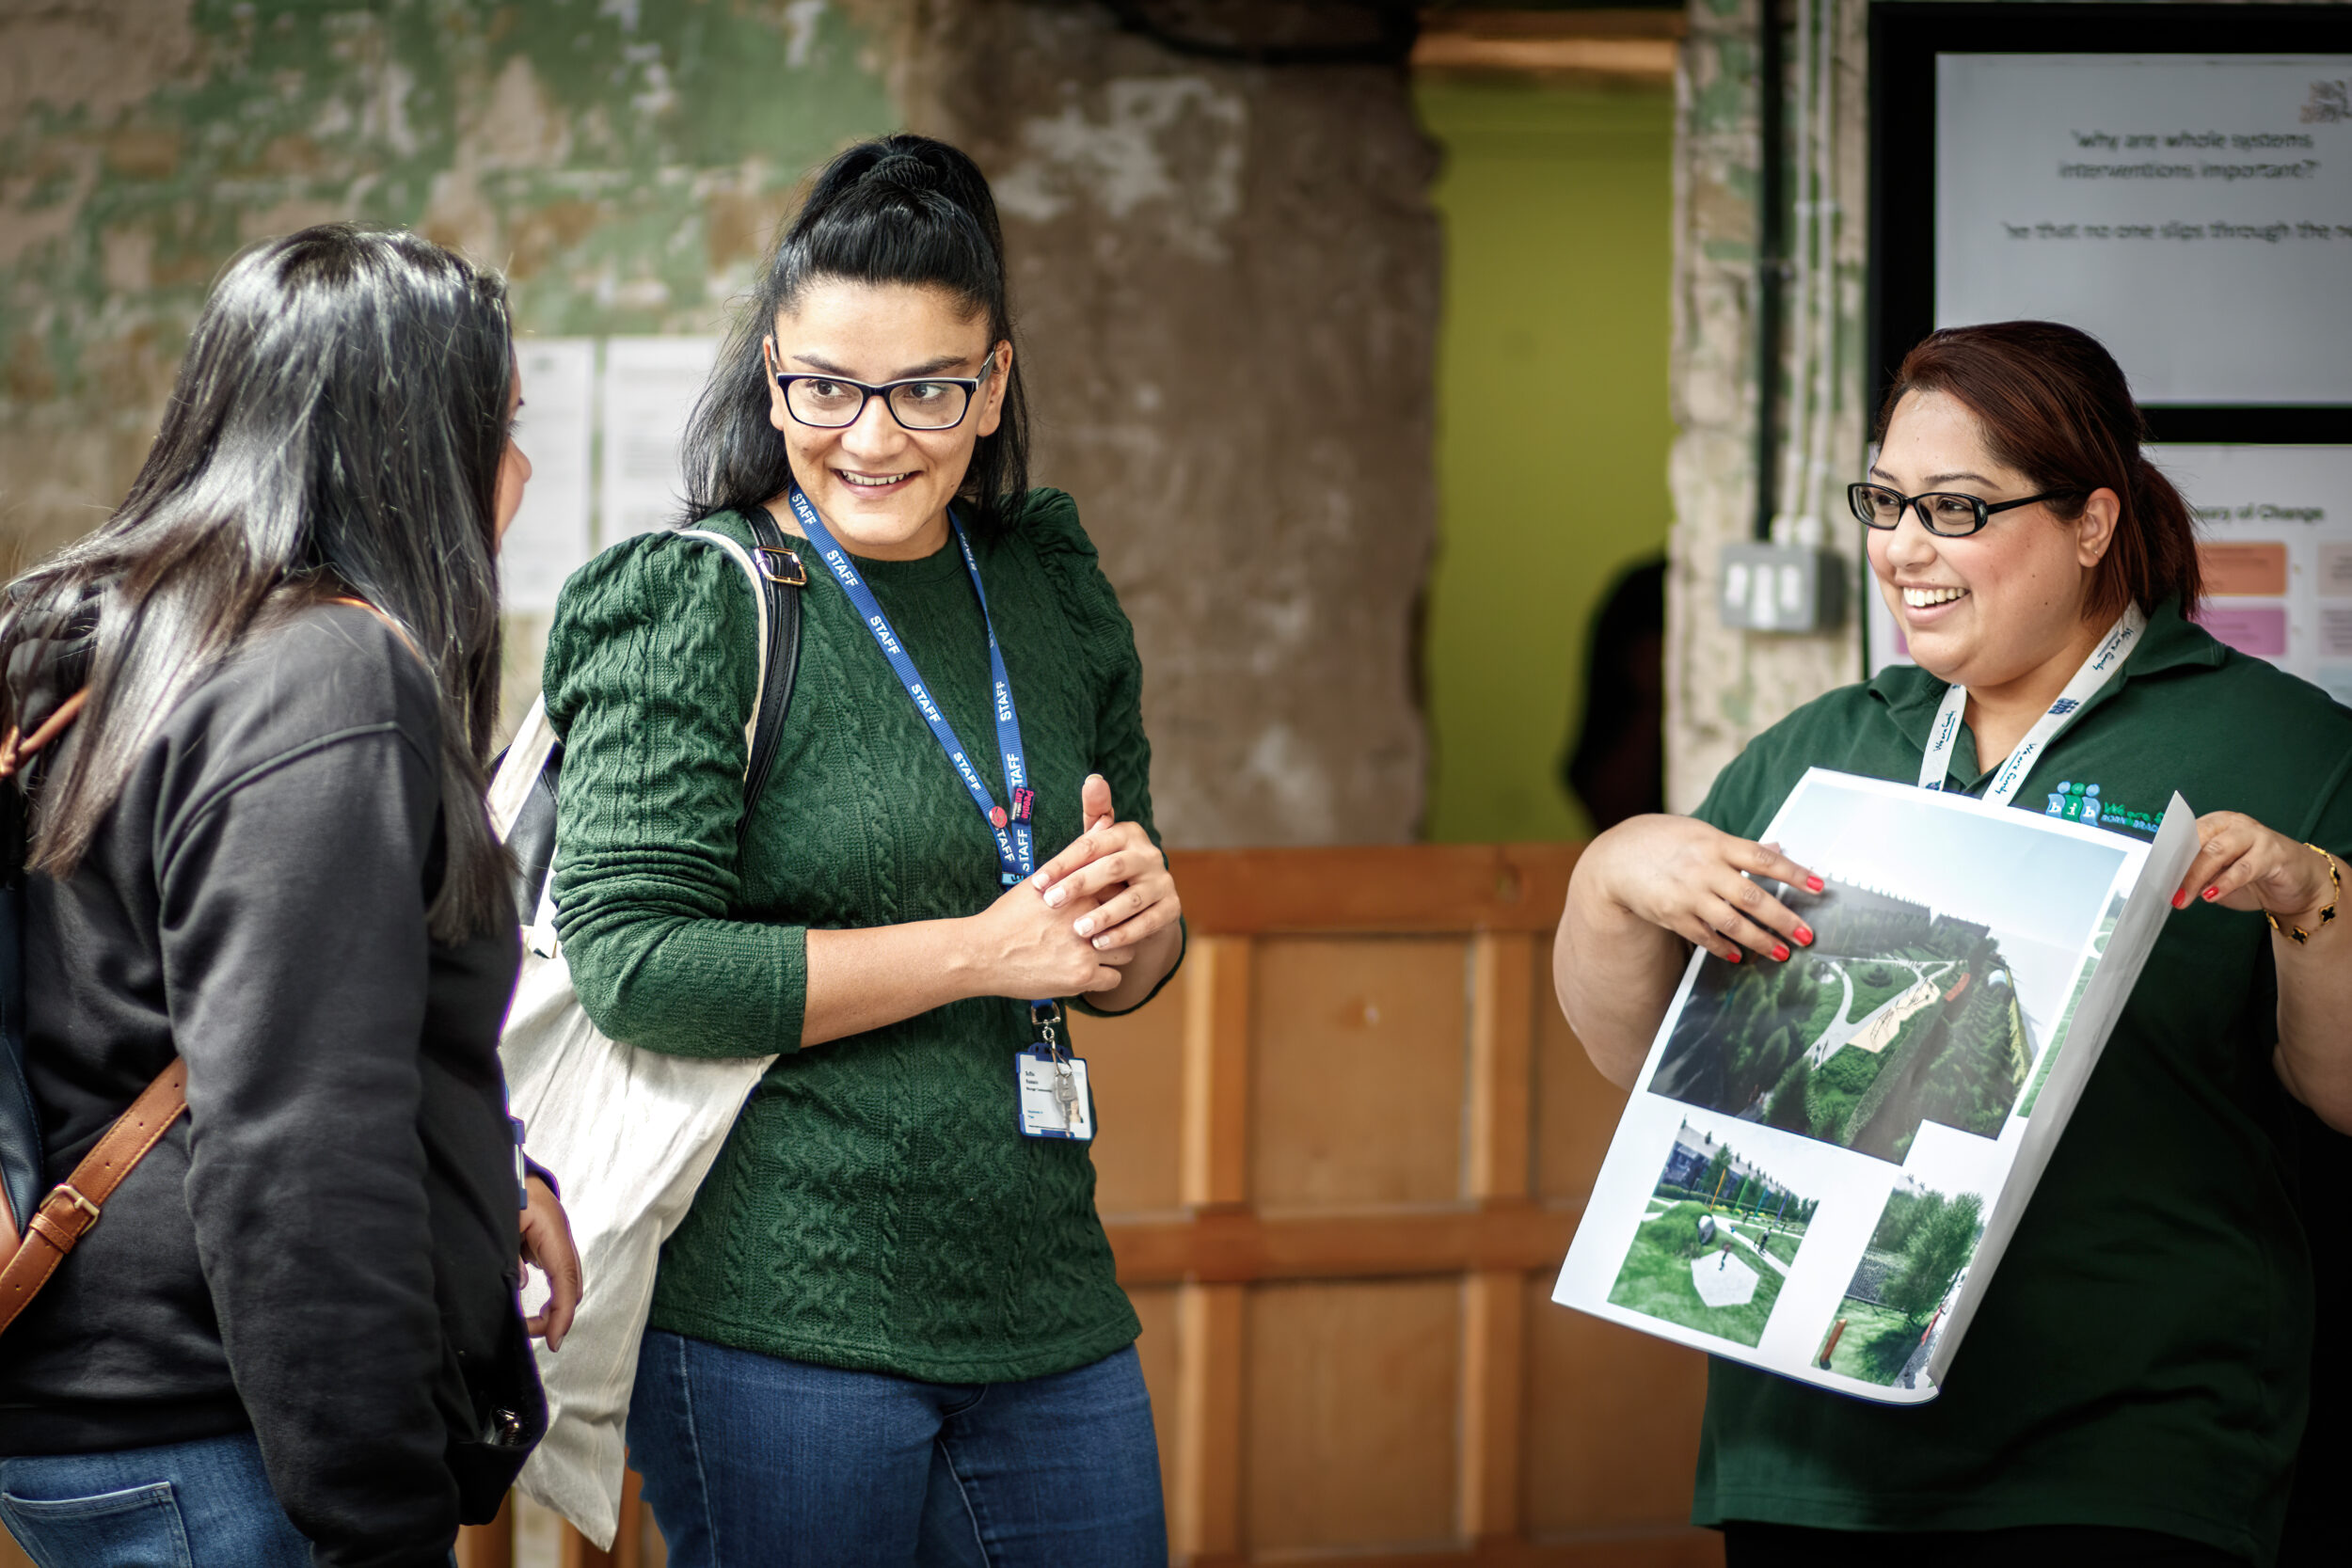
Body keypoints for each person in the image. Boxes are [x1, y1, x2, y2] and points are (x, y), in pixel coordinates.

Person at [1554, 321, 2351, 1567]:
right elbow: (1641, 1059)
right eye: (1886, 500)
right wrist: (1608, 883)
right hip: (1810, 1444)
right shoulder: (1825, 747)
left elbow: (2342, 1093)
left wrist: (2313, 901)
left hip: (2124, 1448)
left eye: (1958, 509)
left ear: (2092, 524)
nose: (1903, 548)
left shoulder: (2281, 749)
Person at [539, 135, 1184, 1567]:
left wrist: (1141, 935)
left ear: (996, 382)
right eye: (824, 389)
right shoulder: (693, 605)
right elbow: (637, 964)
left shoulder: (1047, 589)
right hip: (779, 1312)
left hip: (1046, 1297)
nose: (872, 438)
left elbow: (1111, 931)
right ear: (773, 369)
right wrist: (982, 950)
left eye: (926, 392)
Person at [0, 225, 581, 1568]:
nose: (519, 470)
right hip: (223, 1445)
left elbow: (137, 1022)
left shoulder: (92, 632)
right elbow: (299, 1147)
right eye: (494, 427)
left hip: (90, 1411)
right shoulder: (326, 676)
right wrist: (383, 1522)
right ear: (406, 452)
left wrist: (487, 1171)